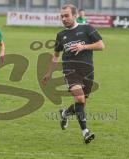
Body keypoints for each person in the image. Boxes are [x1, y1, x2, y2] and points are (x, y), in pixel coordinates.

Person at [41, 4, 105, 144]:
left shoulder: (87, 28)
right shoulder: (61, 35)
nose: (63, 19)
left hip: (87, 71)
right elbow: (56, 55)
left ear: (75, 16)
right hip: (70, 71)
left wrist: (84, 46)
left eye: (66, 16)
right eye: (62, 16)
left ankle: (65, 113)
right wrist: (48, 73)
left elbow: (101, 45)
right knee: (80, 99)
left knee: (80, 103)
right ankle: (85, 132)